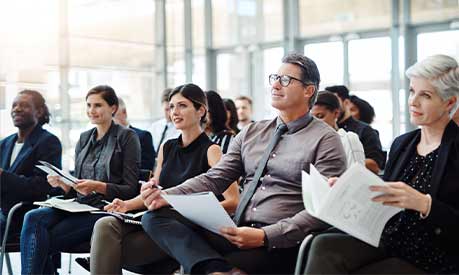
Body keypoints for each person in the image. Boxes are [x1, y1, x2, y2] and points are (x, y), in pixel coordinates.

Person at [139, 53, 347, 274]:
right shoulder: (252, 132)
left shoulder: (326, 140)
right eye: (275, 77)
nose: (275, 85)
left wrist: (265, 236)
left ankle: (211, 267)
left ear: (309, 90)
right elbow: (215, 177)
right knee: (155, 217)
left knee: (187, 261)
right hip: (236, 228)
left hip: (280, 242)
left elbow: (322, 208)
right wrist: (168, 195)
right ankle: (217, 269)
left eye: (285, 80)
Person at [304, 54, 459, 274]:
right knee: (322, 245)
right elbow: (385, 193)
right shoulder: (402, 144)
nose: (413, 101)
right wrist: (350, 188)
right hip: (390, 240)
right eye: (412, 91)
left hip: (432, 255)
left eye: (425, 95)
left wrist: (426, 204)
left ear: (449, 102)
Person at [87, 83, 239, 274]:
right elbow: (154, 193)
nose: (174, 112)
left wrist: (184, 209)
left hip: (186, 225)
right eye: (172, 106)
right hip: (158, 217)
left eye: (182, 106)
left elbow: (233, 201)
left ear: (201, 111)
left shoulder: (212, 151)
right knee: (104, 224)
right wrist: (126, 205)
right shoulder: (167, 148)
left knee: (111, 249)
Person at [20, 85, 141, 274]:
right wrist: (64, 183)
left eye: (98, 105)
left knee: (39, 239)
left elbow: (131, 189)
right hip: (78, 205)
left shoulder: (127, 137)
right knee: (32, 217)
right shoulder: (84, 138)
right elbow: (78, 185)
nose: (91, 111)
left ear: (113, 108)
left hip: (106, 208)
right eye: (89, 105)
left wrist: (98, 186)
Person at [0, 90, 62, 241]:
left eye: (24, 105)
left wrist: (3, 175)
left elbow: (41, 186)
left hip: (22, 214)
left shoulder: (48, 142)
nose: (17, 109)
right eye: (14, 105)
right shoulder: (4, 144)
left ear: (39, 112)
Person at [326, 85, 385, 174]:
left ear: (346, 103)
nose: (329, 107)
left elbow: (375, 165)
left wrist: (350, 159)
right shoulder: (325, 131)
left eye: (333, 103)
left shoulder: (365, 130)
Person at [311, 91, 365, 167]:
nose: (315, 122)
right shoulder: (310, 142)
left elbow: (357, 175)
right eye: (311, 118)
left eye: (320, 116)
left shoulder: (348, 139)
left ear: (336, 113)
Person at [114, 97, 156, 170]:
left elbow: (147, 168)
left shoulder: (143, 136)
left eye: (113, 116)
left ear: (124, 112)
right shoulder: (105, 139)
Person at [150, 88, 180, 154]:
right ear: (162, 107)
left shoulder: (181, 129)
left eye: (171, 108)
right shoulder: (154, 127)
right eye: (166, 109)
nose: (170, 113)